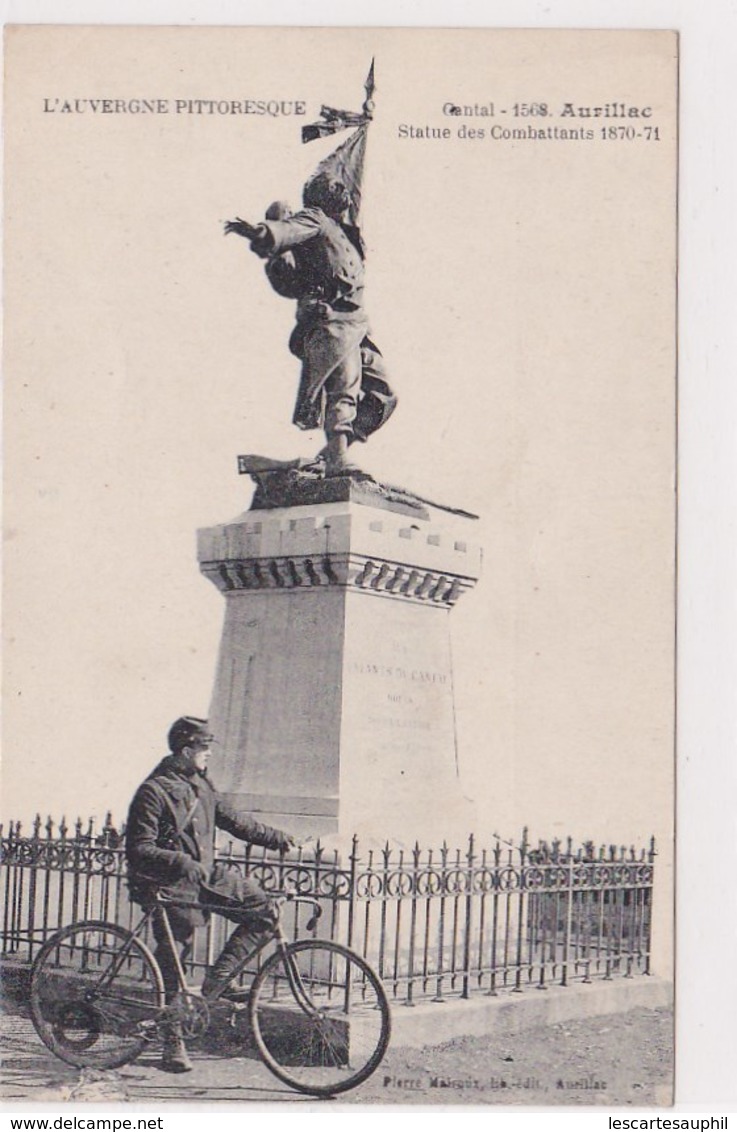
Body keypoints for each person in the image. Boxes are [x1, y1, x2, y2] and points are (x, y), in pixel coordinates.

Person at [125, 716, 295, 1073]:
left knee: (265, 911)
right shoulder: (153, 791)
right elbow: (139, 849)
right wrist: (181, 861)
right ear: (187, 751)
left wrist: (275, 837)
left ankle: (217, 982)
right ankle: (172, 1040)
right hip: (169, 884)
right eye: (204, 749)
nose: (208, 756)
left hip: (205, 877)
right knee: (174, 960)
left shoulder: (201, 784)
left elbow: (233, 820)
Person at [225, 173, 397, 475]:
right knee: (344, 387)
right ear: (324, 195)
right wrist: (261, 232)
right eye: (337, 188)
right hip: (331, 323)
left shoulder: (342, 229)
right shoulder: (315, 219)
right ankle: (338, 457)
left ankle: (331, 453)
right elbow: (289, 230)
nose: (344, 192)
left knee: (384, 395)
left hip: (357, 323)